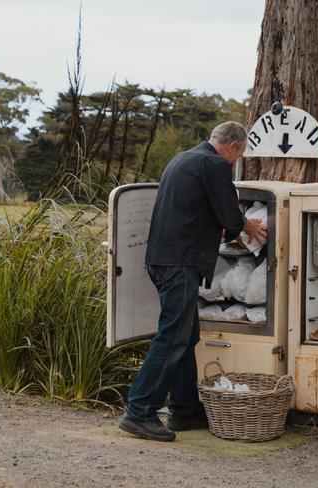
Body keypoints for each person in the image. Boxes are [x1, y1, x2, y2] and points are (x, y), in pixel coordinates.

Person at [119, 121, 266, 441]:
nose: (233, 162)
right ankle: (139, 410)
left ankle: (184, 409)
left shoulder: (182, 158)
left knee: (186, 334)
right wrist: (249, 225)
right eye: (236, 157)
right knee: (173, 336)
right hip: (181, 262)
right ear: (233, 148)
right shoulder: (215, 164)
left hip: (160, 260)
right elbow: (229, 217)